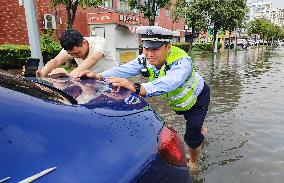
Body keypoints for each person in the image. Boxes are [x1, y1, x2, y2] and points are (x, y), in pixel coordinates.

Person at [77, 26, 210, 170]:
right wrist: (99, 76)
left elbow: (171, 82)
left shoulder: (182, 61)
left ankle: (194, 163)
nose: (149, 54)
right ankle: (199, 130)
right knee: (193, 126)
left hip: (197, 99)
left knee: (191, 136)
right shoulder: (145, 58)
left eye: (155, 49)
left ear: (168, 47)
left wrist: (138, 88)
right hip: (179, 102)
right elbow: (126, 68)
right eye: (146, 48)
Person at [36, 29, 118, 77]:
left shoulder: (99, 42)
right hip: (92, 82)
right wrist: (40, 74)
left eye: (76, 53)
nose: (74, 56)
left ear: (84, 43)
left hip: (113, 80)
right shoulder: (70, 48)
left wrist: (69, 75)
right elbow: (56, 61)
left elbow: (93, 58)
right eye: (71, 54)